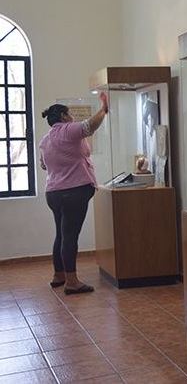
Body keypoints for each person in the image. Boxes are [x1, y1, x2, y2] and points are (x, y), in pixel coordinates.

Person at [39, 92, 109, 294]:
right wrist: (103, 109)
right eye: (69, 114)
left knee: (61, 234)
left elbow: (44, 165)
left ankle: (59, 275)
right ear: (63, 116)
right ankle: (72, 282)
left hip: (53, 193)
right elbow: (89, 126)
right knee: (70, 236)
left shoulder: (46, 139)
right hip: (73, 192)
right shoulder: (67, 130)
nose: (72, 117)